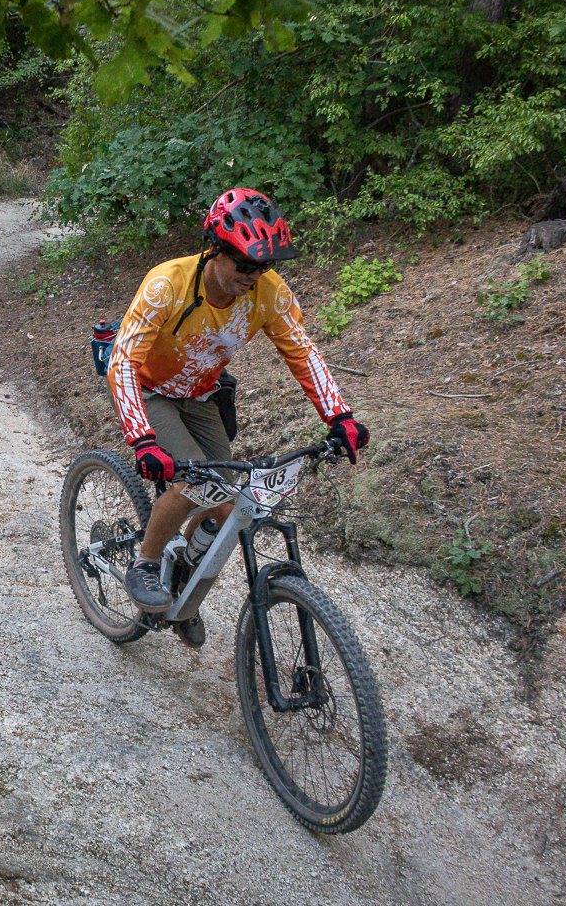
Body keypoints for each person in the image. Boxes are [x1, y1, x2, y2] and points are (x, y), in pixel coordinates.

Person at [106, 187, 370, 647]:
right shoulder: (168, 283)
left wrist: (340, 416)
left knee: (227, 506)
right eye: (245, 264)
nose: (254, 275)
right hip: (150, 390)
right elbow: (123, 361)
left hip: (202, 396)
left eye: (264, 265)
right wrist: (142, 439)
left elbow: (302, 353)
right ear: (215, 250)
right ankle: (145, 563)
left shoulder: (269, 293)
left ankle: (182, 584)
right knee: (193, 482)